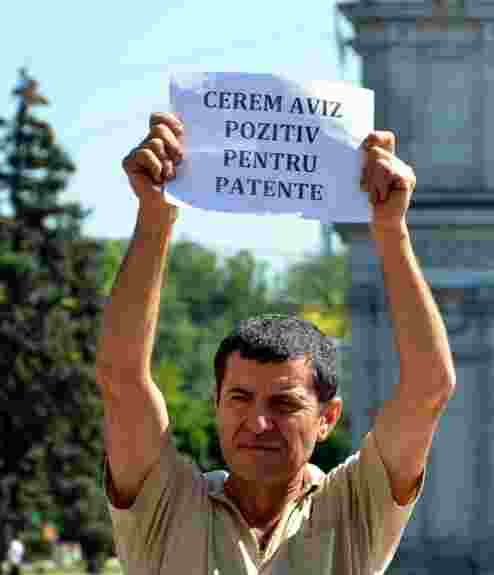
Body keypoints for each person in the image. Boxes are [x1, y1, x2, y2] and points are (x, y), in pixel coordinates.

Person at [97, 112, 456, 574]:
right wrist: (155, 215)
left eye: (284, 404)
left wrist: (390, 230)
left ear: (327, 418)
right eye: (240, 398)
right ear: (216, 403)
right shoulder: (168, 505)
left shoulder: (352, 508)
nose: (258, 422)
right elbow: (121, 379)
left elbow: (429, 389)